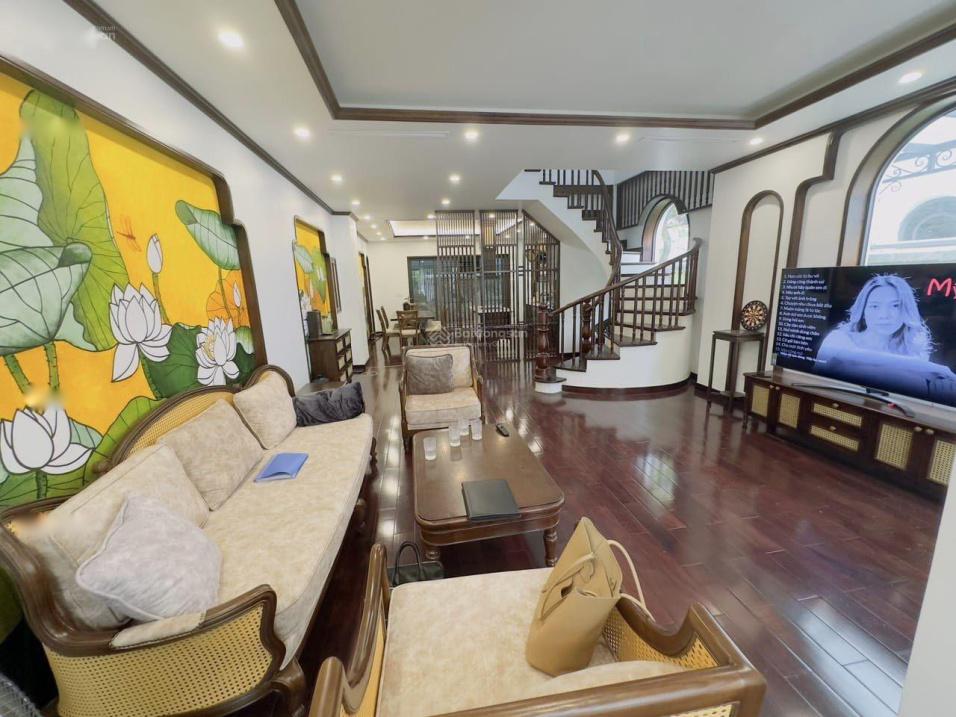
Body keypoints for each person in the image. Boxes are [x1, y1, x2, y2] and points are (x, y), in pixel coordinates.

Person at [816, 274, 932, 362]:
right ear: (863, 311)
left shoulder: (915, 350)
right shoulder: (839, 341)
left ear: (907, 309)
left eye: (895, 306)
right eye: (875, 306)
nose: (884, 315)